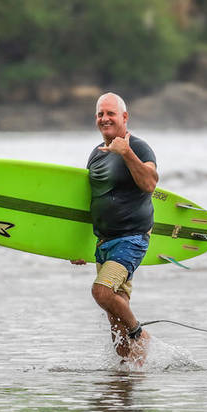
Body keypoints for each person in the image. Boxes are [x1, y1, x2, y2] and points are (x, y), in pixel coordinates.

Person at [70, 92, 158, 364]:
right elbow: (92, 203)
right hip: (103, 242)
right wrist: (77, 246)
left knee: (102, 292)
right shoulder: (95, 154)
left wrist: (126, 152)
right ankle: (128, 375)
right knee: (115, 319)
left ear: (124, 117)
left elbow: (150, 183)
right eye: (100, 114)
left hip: (131, 239)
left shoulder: (139, 147)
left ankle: (139, 333)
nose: (104, 118)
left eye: (110, 113)